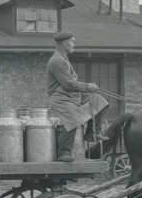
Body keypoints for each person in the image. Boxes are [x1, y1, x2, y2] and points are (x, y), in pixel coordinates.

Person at [46, 31, 109, 162]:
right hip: (60, 98)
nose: (74, 45)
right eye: (72, 42)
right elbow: (68, 84)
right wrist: (88, 86)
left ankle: (93, 133)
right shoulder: (56, 61)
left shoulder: (64, 58)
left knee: (99, 101)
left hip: (72, 95)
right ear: (64, 43)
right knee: (73, 119)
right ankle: (63, 153)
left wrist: (88, 90)